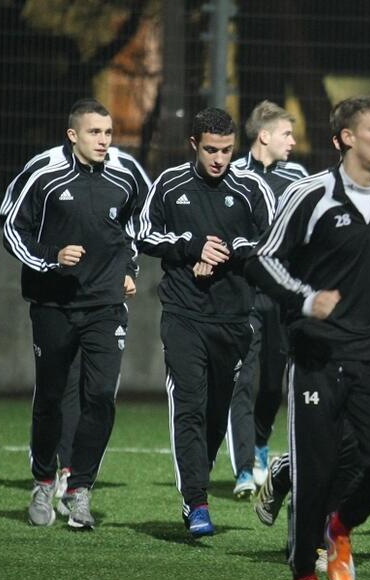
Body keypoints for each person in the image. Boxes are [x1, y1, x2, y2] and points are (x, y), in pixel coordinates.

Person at [247, 96, 370, 580]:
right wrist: (304, 300)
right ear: (345, 137)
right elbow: (263, 258)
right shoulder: (311, 195)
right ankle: (302, 576)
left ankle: (341, 526)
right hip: (318, 356)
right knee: (316, 472)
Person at [1, 98, 145, 529]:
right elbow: (11, 225)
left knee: (100, 395)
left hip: (105, 303)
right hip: (54, 303)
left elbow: (137, 222)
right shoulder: (43, 172)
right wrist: (50, 258)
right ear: (73, 135)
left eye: (108, 132)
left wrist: (128, 268)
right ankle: (45, 479)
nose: (104, 141)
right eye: (95, 133)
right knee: (50, 396)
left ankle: (80, 489)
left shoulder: (125, 173)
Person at [136, 107, 275, 537]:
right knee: (190, 406)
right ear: (195, 145)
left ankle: (201, 471)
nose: (220, 158)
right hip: (184, 315)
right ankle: (195, 501)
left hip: (234, 318)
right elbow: (144, 234)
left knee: (218, 413)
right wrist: (190, 247)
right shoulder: (170, 184)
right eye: (211, 150)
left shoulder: (252, 187)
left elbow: (273, 242)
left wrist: (232, 250)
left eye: (227, 150)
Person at [227, 100, 308, 498]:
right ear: (264, 136)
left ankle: (260, 442)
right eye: (287, 134)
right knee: (241, 380)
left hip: (282, 296)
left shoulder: (297, 177)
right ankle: (244, 469)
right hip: (244, 295)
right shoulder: (234, 176)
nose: (293, 141)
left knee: (273, 384)